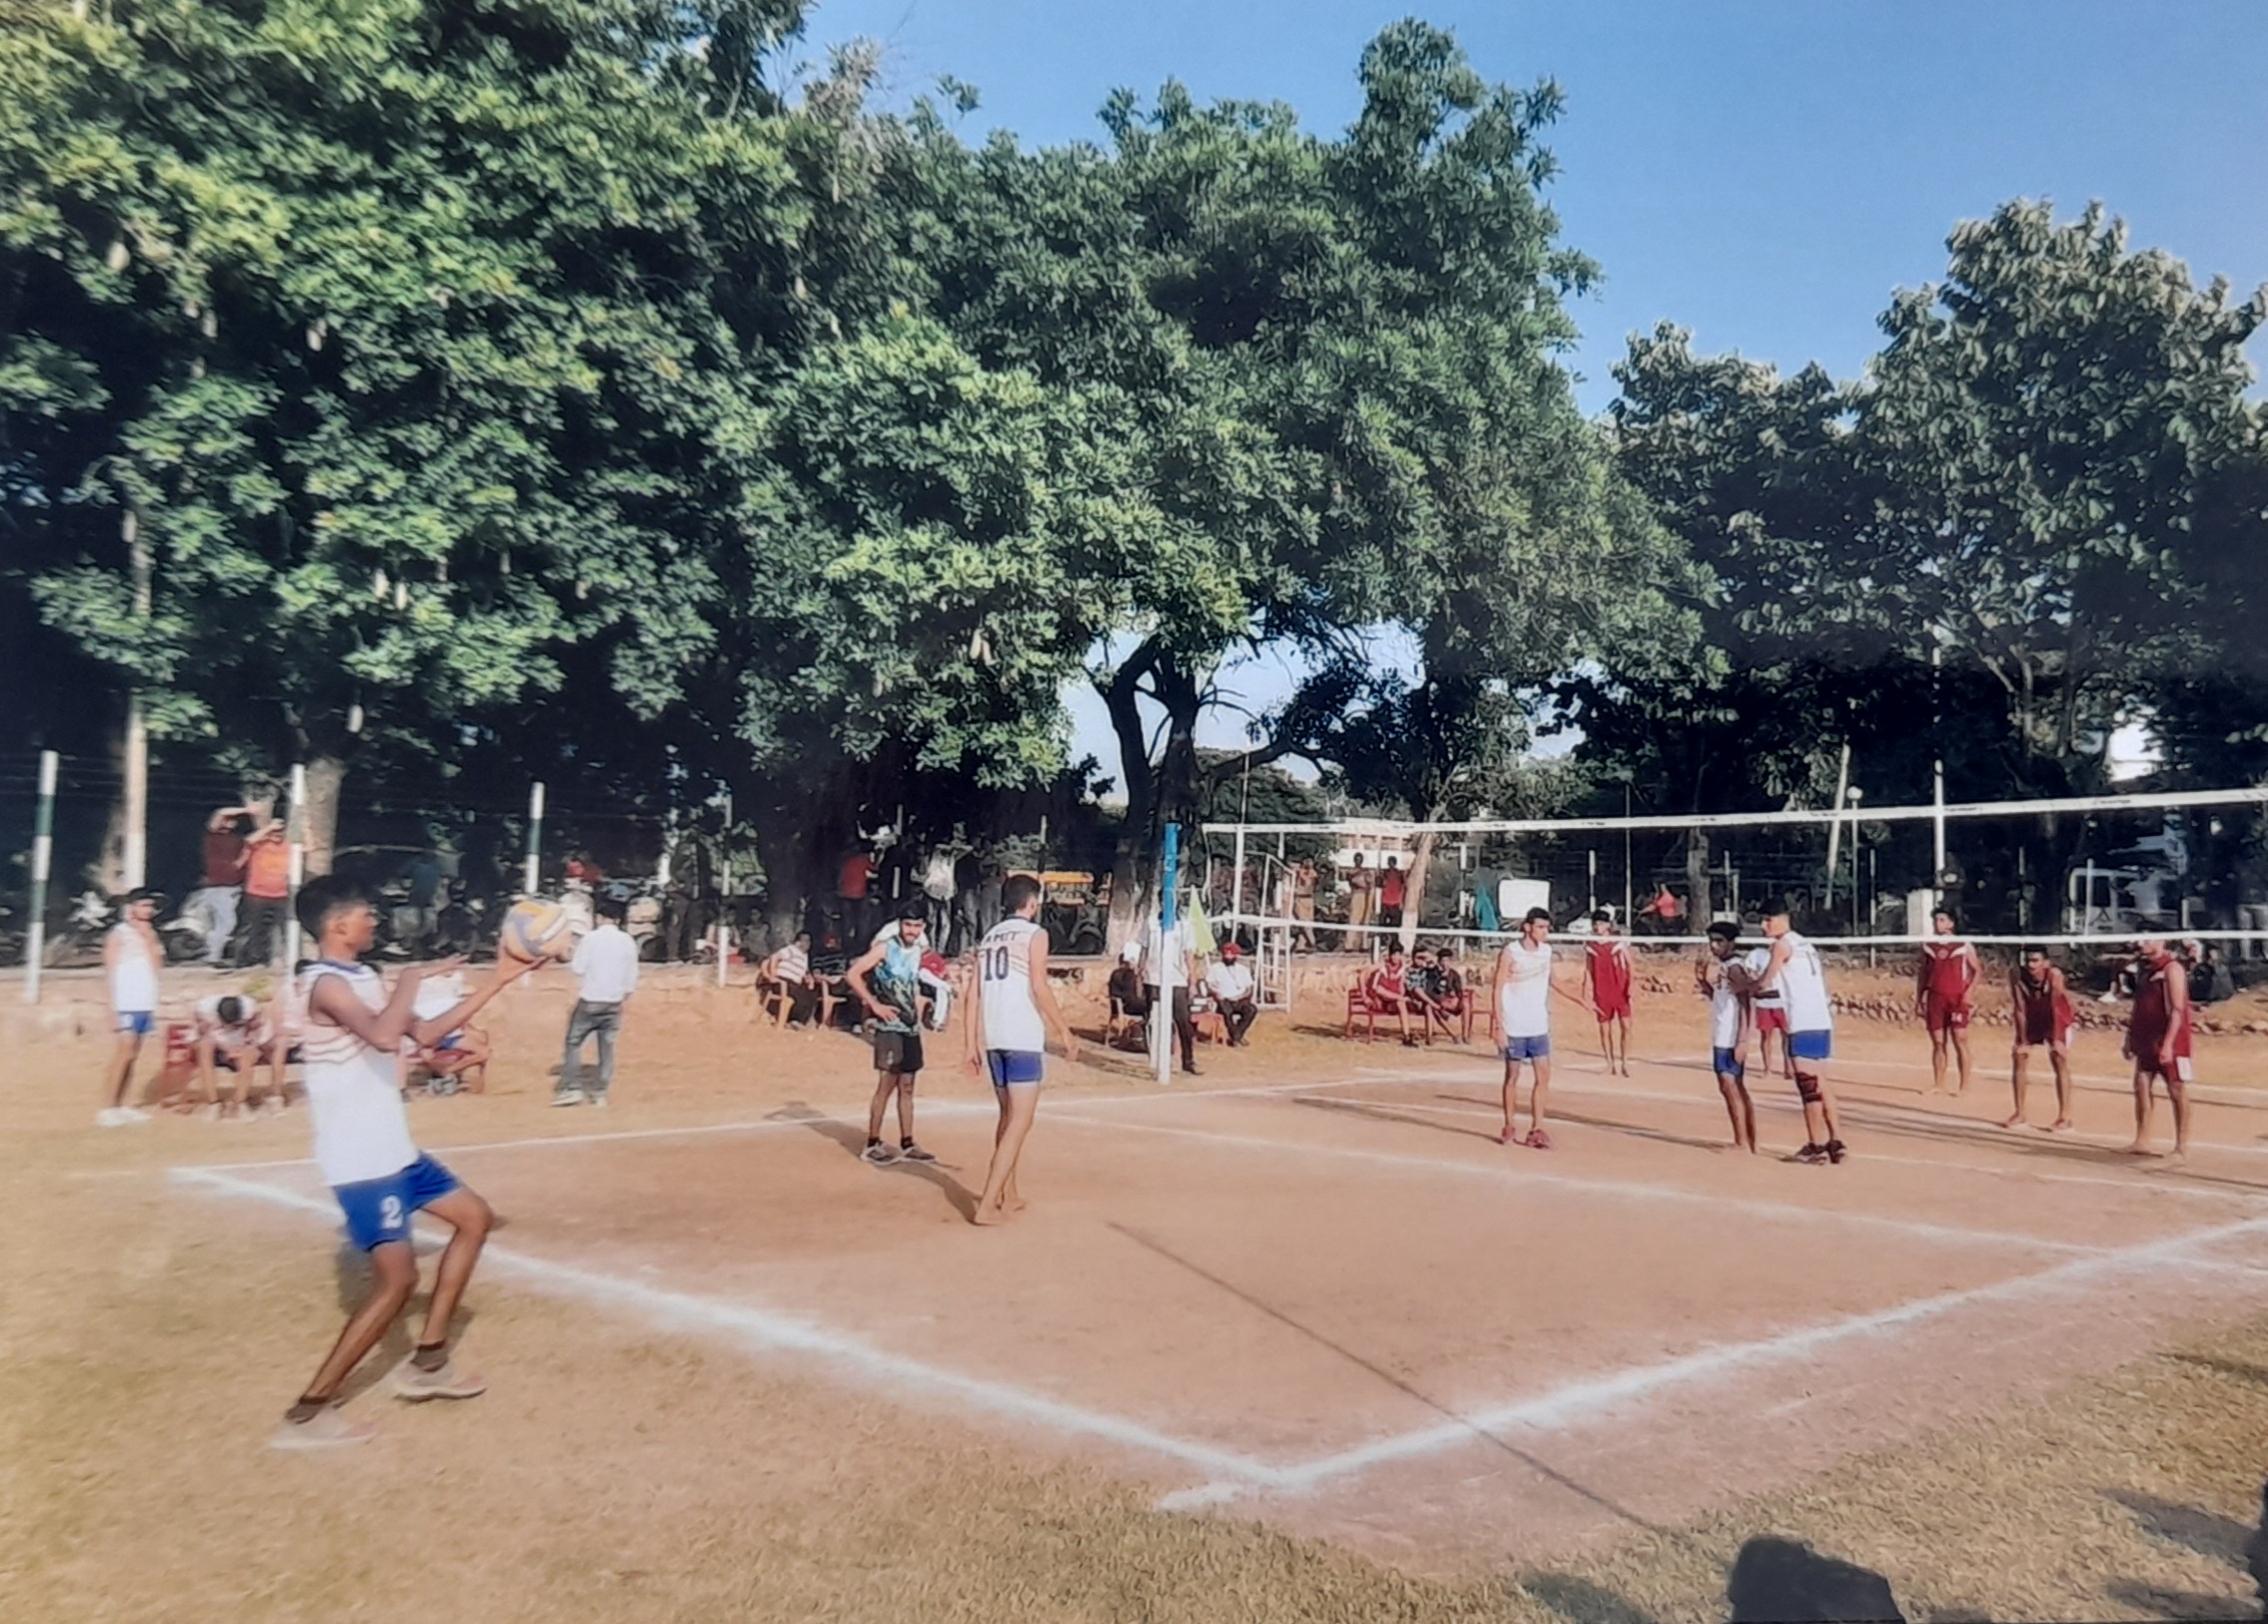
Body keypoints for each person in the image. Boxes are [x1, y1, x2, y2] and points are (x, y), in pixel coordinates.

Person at [271, 874, 535, 1448]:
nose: (374, 919)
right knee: (398, 1282)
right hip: (360, 1157)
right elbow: (386, 1037)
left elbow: (425, 1033)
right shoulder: (322, 984)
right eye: (365, 912)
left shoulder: (362, 978)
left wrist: (500, 980)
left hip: (393, 1147)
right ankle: (308, 1413)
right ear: (337, 925)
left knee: (474, 1219)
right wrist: (413, 979)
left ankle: (429, 1362)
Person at [965, 873, 1081, 1225]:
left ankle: (1009, 1192)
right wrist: (1064, 1030)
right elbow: (1039, 986)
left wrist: (970, 1043)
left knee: (1007, 1117)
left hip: (995, 1035)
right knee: (1021, 1121)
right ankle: (987, 1203)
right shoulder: (1035, 934)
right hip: (1022, 1034)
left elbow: (972, 994)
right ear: (1032, 901)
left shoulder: (989, 937)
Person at [1754, 898, 1847, 1165]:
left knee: (1808, 1085)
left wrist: (1744, 986)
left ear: (1782, 919)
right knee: (1821, 1081)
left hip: (1802, 1021)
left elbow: (1765, 981)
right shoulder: (1804, 944)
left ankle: (1815, 1144)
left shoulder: (1781, 945)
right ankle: (1836, 1141)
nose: (1763, 926)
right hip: (1820, 1020)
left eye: (1767, 920)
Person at [849, 903, 938, 1165]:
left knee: (907, 1086)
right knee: (886, 1084)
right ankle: (872, 1142)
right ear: (900, 924)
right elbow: (853, 974)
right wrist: (874, 1005)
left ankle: (907, 1142)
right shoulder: (885, 948)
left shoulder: (918, 951)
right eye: (908, 925)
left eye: (917, 925)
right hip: (889, 1028)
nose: (912, 930)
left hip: (910, 1027)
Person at [1491, 907, 1564, 1149]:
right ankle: (1509, 1125)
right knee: (1512, 1076)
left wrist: (1582, 999)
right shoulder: (1511, 952)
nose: (1544, 932)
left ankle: (1537, 1128)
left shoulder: (1546, 952)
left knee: (1543, 1076)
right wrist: (1498, 1024)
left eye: (1547, 928)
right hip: (1514, 1023)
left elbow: (1552, 981)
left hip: (1538, 1023)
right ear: (1527, 927)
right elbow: (1497, 987)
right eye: (1540, 927)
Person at [557, 893, 638, 1108]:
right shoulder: (627, 941)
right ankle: (600, 1092)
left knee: (574, 1042)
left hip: (591, 999)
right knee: (607, 1048)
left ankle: (572, 1088)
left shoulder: (590, 939)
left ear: (599, 917)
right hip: (614, 1002)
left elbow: (578, 968)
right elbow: (631, 977)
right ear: (618, 919)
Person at [97, 889, 165, 1127]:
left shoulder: (150, 934)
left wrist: (148, 939)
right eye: (144, 905)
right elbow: (110, 970)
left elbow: (157, 965)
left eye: (150, 906)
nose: (148, 910)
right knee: (123, 1053)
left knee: (133, 1055)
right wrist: (111, 1006)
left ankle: (121, 1104)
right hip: (125, 1001)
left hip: (144, 1001)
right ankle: (107, 1107)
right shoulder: (119, 934)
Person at [2124, 935, 2193, 1160]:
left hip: (2171, 1039)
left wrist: (2169, 1043)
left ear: (2161, 942)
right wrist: (2130, 1038)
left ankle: (2181, 1146)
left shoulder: (2172, 969)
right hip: (2146, 1038)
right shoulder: (2145, 970)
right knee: (2142, 1085)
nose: (2141, 944)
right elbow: (2138, 1007)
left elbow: (2177, 1009)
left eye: (2147, 940)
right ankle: (2142, 1139)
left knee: (2176, 1089)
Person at [1698, 921, 1758, 1153]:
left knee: (1729, 1085)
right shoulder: (1725, 967)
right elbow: (1721, 998)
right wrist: (1702, 980)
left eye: (1719, 941)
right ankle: (1748, 1140)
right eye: (1712, 941)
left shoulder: (1734, 968)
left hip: (1729, 1035)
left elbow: (1745, 1004)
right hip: (1723, 1032)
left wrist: (1742, 1039)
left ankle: (1742, 1141)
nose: (1714, 946)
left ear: (1731, 943)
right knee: (1733, 1086)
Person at [2005, 945, 2075, 1132]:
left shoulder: (2054, 976)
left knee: (2058, 1059)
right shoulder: (2017, 975)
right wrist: (2022, 1040)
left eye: (2035, 961)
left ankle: (2064, 1117)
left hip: (2057, 1019)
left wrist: (2057, 1039)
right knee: (2019, 1056)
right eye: (2028, 960)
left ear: (2045, 962)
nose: (2031, 965)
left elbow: (2056, 1007)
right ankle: (2020, 1113)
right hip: (2033, 1018)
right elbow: (2019, 1008)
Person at [1915, 906, 1980, 1095]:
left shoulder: (1962, 944)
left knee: (1960, 1039)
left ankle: (1964, 1085)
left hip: (1957, 997)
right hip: (1935, 998)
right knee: (1938, 1042)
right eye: (1936, 920)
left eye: (1942, 920)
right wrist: (1919, 997)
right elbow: (1923, 973)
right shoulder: (1929, 945)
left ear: (1951, 923)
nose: (1938, 923)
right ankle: (1939, 1083)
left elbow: (1977, 970)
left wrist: (1969, 993)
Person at [193, 991, 285, 1119]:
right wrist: (226, 1048)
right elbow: (202, 1034)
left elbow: (255, 1033)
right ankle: (213, 1103)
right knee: (204, 1046)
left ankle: (239, 1102)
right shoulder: (204, 1010)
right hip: (217, 1042)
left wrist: (245, 1044)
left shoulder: (251, 1010)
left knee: (249, 1054)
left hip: (241, 1042)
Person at [1139, 900, 1202, 1076]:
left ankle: (1188, 1060)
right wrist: (1140, 973)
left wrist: (1192, 980)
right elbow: (1144, 948)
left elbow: (1189, 953)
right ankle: (1157, 1058)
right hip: (1153, 977)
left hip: (1177, 979)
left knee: (1183, 1021)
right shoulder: (1152, 922)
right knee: (1153, 1020)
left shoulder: (1185, 925)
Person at [192, 806, 252, 966]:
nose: (231, 821)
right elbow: (220, 813)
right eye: (228, 820)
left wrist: (244, 857)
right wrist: (248, 809)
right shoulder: (213, 836)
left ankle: (213, 955)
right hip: (218, 886)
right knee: (226, 922)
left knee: (225, 923)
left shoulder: (237, 839)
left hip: (232, 886)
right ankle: (212, 956)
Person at [1582, 909, 1634, 1078]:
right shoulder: (1591, 944)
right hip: (1602, 990)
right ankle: (1609, 1064)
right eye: (1595, 923)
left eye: (1601, 923)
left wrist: (1631, 985)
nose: (1597, 926)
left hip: (1620, 988)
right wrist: (1586, 988)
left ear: (1608, 925)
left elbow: (1630, 964)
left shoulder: (1617, 941)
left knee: (1626, 1025)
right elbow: (1588, 968)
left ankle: (1625, 1062)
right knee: (1605, 1029)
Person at [238, 817, 292, 966]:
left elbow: (308, 848)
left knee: (284, 927)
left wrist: (304, 827)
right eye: (274, 832)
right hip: (257, 893)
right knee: (256, 928)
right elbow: (248, 840)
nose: (277, 834)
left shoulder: (288, 847)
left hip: (281, 894)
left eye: (280, 831)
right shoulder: (258, 844)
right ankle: (256, 958)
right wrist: (269, 828)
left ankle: (281, 957)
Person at [759, 930, 830, 1030]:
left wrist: (809, 979)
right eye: (805, 940)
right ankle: (791, 1019)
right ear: (798, 942)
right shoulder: (791, 950)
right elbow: (774, 957)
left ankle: (798, 1020)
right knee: (798, 994)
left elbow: (805, 972)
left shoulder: (805, 956)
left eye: (809, 941)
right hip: (783, 980)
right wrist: (773, 975)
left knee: (812, 994)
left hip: (796, 982)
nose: (808, 943)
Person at [1362, 943, 1421, 1046]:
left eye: (1398, 954)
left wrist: (1402, 994)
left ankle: (1406, 1036)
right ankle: (1407, 1035)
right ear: (1390, 955)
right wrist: (1364, 996)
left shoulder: (1402, 968)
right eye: (1394, 954)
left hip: (1393, 1000)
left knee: (1401, 1003)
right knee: (1400, 1001)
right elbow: (1378, 989)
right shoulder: (1382, 967)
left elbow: (1401, 987)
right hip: (1379, 1001)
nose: (1396, 957)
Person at [1204, 942, 1259, 1047]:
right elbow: (1209, 984)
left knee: (1251, 1010)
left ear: (1236, 955)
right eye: (1226, 954)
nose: (1228, 957)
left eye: (1231, 954)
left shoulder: (1243, 969)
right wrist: (1216, 993)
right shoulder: (1215, 968)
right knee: (1226, 1011)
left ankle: (1236, 1036)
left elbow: (1249, 988)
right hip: (1223, 999)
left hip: (1240, 998)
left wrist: (1240, 996)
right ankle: (1237, 1037)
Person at [836, 845, 877, 945]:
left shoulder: (845, 861)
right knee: (861, 921)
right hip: (860, 894)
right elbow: (874, 870)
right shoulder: (864, 860)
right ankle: (860, 944)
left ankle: (845, 943)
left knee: (847, 921)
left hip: (845, 894)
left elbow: (840, 877)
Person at [1343, 853, 1375, 948]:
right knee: (1354, 919)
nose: (1358, 861)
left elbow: (1370, 883)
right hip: (1357, 895)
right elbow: (1351, 880)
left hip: (1366, 895)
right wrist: (1360, 873)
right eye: (1357, 859)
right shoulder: (1351, 871)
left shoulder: (1366, 871)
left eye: (1360, 859)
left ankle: (1363, 944)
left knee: (1365, 920)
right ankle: (1349, 944)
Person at [1289, 857, 1317, 952]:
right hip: (1300, 898)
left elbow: (1309, 884)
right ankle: (1303, 944)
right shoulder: (1299, 872)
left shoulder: (1311, 873)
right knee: (1301, 922)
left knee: (1307, 922)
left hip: (1307, 898)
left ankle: (1309, 943)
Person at [1378, 854, 1407, 931]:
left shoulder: (1399, 874)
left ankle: (1391, 937)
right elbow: (1380, 884)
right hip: (1387, 902)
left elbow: (1404, 886)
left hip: (1395, 902)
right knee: (1383, 925)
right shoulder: (1385, 873)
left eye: (1391, 862)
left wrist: (1402, 901)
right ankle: (1384, 937)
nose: (1390, 865)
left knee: (1394, 925)